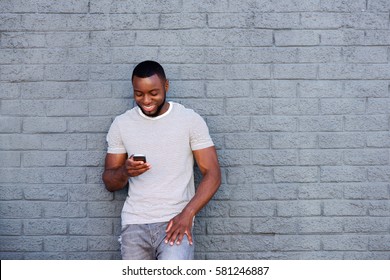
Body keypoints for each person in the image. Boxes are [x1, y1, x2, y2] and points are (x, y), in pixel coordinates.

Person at [102, 60, 221, 260]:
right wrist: (125, 171)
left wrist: (187, 214)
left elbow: (213, 174)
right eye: (139, 94)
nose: (146, 100)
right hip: (134, 224)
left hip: (176, 223)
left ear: (166, 86)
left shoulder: (189, 120)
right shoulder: (122, 124)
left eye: (153, 93)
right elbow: (109, 181)